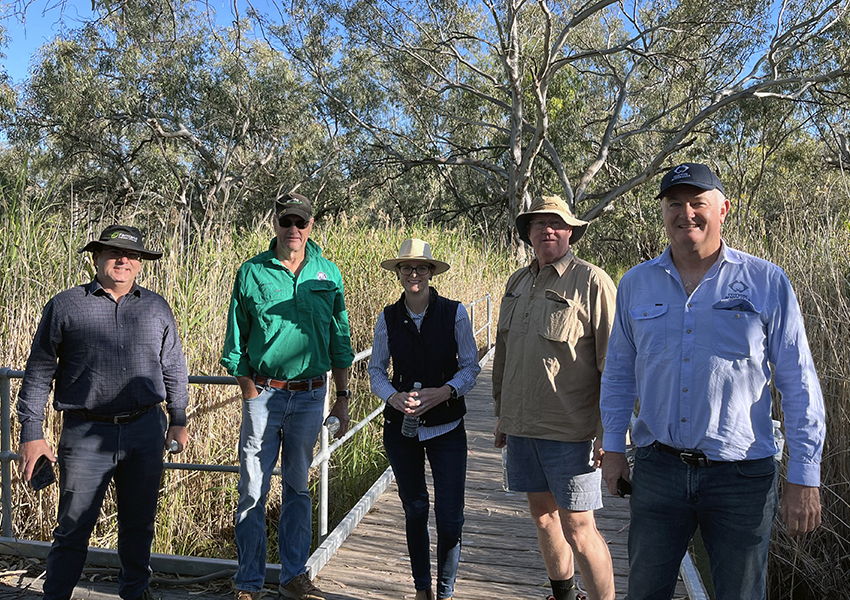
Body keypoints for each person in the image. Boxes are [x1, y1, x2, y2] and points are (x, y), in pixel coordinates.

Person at [600, 162, 826, 600]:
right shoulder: (635, 284)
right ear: (663, 213)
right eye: (674, 204)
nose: (686, 212)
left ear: (723, 208)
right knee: (645, 591)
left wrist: (804, 474)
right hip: (658, 470)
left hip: (740, 477)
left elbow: (799, 382)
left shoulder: (766, 282)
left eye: (697, 201)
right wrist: (612, 448)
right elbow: (618, 374)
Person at [16, 225, 189, 600]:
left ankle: (135, 592)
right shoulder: (65, 305)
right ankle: (56, 595)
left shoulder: (157, 306)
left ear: (140, 264)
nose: (122, 260)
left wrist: (178, 418)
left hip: (146, 429)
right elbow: (39, 370)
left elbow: (173, 365)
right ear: (96, 258)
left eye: (131, 255)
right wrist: (31, 431)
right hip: (85, 435)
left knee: (139, 524)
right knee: (73, 527)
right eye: (113, 253)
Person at [221, 192, 354, 600]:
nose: (293, 230)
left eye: (301, 222)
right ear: (275, 223)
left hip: (312, 396)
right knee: (252, 489)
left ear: (311, 225)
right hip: (263, 394)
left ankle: (294, 575)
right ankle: (249, 581)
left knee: (297, 488)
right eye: (286, 222)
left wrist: (343, 396)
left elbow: (340, 339)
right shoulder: (251, 272)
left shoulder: (328, 273)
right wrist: (248, 389)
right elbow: (235, 339)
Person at [492, 196, 617, 600]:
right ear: (528, 233)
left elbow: (612, 364)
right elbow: (505, 353)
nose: (548, 229)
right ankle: (564, 594)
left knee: (580, 528)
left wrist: (610, 434)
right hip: (523, 427)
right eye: (539, 223)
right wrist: (502, 415)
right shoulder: (516, 282)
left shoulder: (592, 281)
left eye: (557, 223)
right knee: (543, 517)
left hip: (571, 431)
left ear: (570, 232)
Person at [367, 238, 482, 600]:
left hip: (448, 429)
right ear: (398, 273)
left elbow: (471, 367)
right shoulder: (387, 318)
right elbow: (375, 371)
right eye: (406, 268)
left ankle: (445, 591)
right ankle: (423, 591)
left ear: (431, 273)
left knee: (450, 518)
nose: (413, 274)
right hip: (402, 432)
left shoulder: (455, 313)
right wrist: (394, 397)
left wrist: (444, 391)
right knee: (415, 509)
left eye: (421, 268)